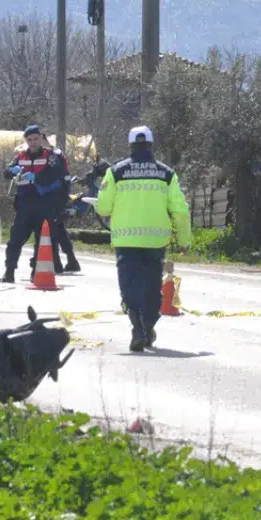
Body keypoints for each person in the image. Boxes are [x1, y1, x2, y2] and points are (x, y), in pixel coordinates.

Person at [95, 126, 192, 352]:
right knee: (151, 287)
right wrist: (184, 240)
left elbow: (103, 208)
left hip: (126, 242)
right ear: (151, 145)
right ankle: (148, 328)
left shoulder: (116, 172)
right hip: (155, 242)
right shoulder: (166, 173)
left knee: (130, 286)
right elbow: (180, 211)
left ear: (130, 145)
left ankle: (137, 327)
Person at [0, 124, 65, 283]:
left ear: (41, 138)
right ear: (26, 141)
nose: (33, 142)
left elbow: (56, 173)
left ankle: (36, 272)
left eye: (36, 139)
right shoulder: (21, 157)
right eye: (29, 140)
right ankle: (9, 272)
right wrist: (12, 170)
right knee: (15, 240)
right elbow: (6, 173)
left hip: (45, 204)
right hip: (24, 204)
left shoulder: (50, 156)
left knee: (42, 241)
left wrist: (36, 177)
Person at [47, 137, 81, 272]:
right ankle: (70, 260)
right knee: (59, 229)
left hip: (53, 197)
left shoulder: (51, 155)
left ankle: (57, 263)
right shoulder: (56, 154)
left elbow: (52, 176)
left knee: (51, 228)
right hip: (59, 196)